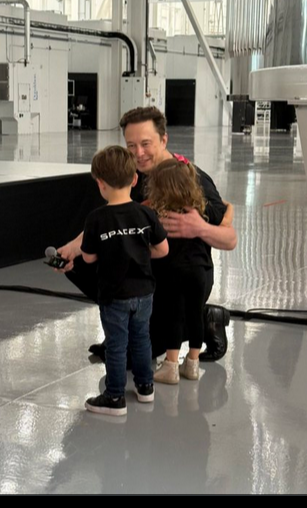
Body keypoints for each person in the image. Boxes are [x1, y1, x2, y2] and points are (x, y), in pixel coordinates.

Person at [57, 107, 236, 361]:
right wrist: (73, 248)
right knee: (81, 263)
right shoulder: (131, 177)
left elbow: (230, 240)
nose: (138, 153)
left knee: (135, 357)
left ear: (163, 140)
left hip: (182, 279)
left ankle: (205, 316)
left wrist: (199, 228)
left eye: (145, 144)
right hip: (146, 274)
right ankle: (125, 321)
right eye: (131, 146)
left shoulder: (189, 179)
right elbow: (112, 218)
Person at [80, 145, 168, 416]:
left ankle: (115, 396)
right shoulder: (146, 214)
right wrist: (138, 252)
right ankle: (145, 387)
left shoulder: (96, 219)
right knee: (142, 340)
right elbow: (163, 249)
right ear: (134, 179)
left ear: (100, 184)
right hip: (144, 293)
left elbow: (88, 257)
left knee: (116, 345)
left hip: (113, 296)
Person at [143, 157, 217, 384]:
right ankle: (193, 363)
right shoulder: (198, 208)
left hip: (172, 270)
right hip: (200, 269)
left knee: (173, 316)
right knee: (195, 315)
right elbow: (225, 213)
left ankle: (171, 365)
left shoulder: (157, 212)